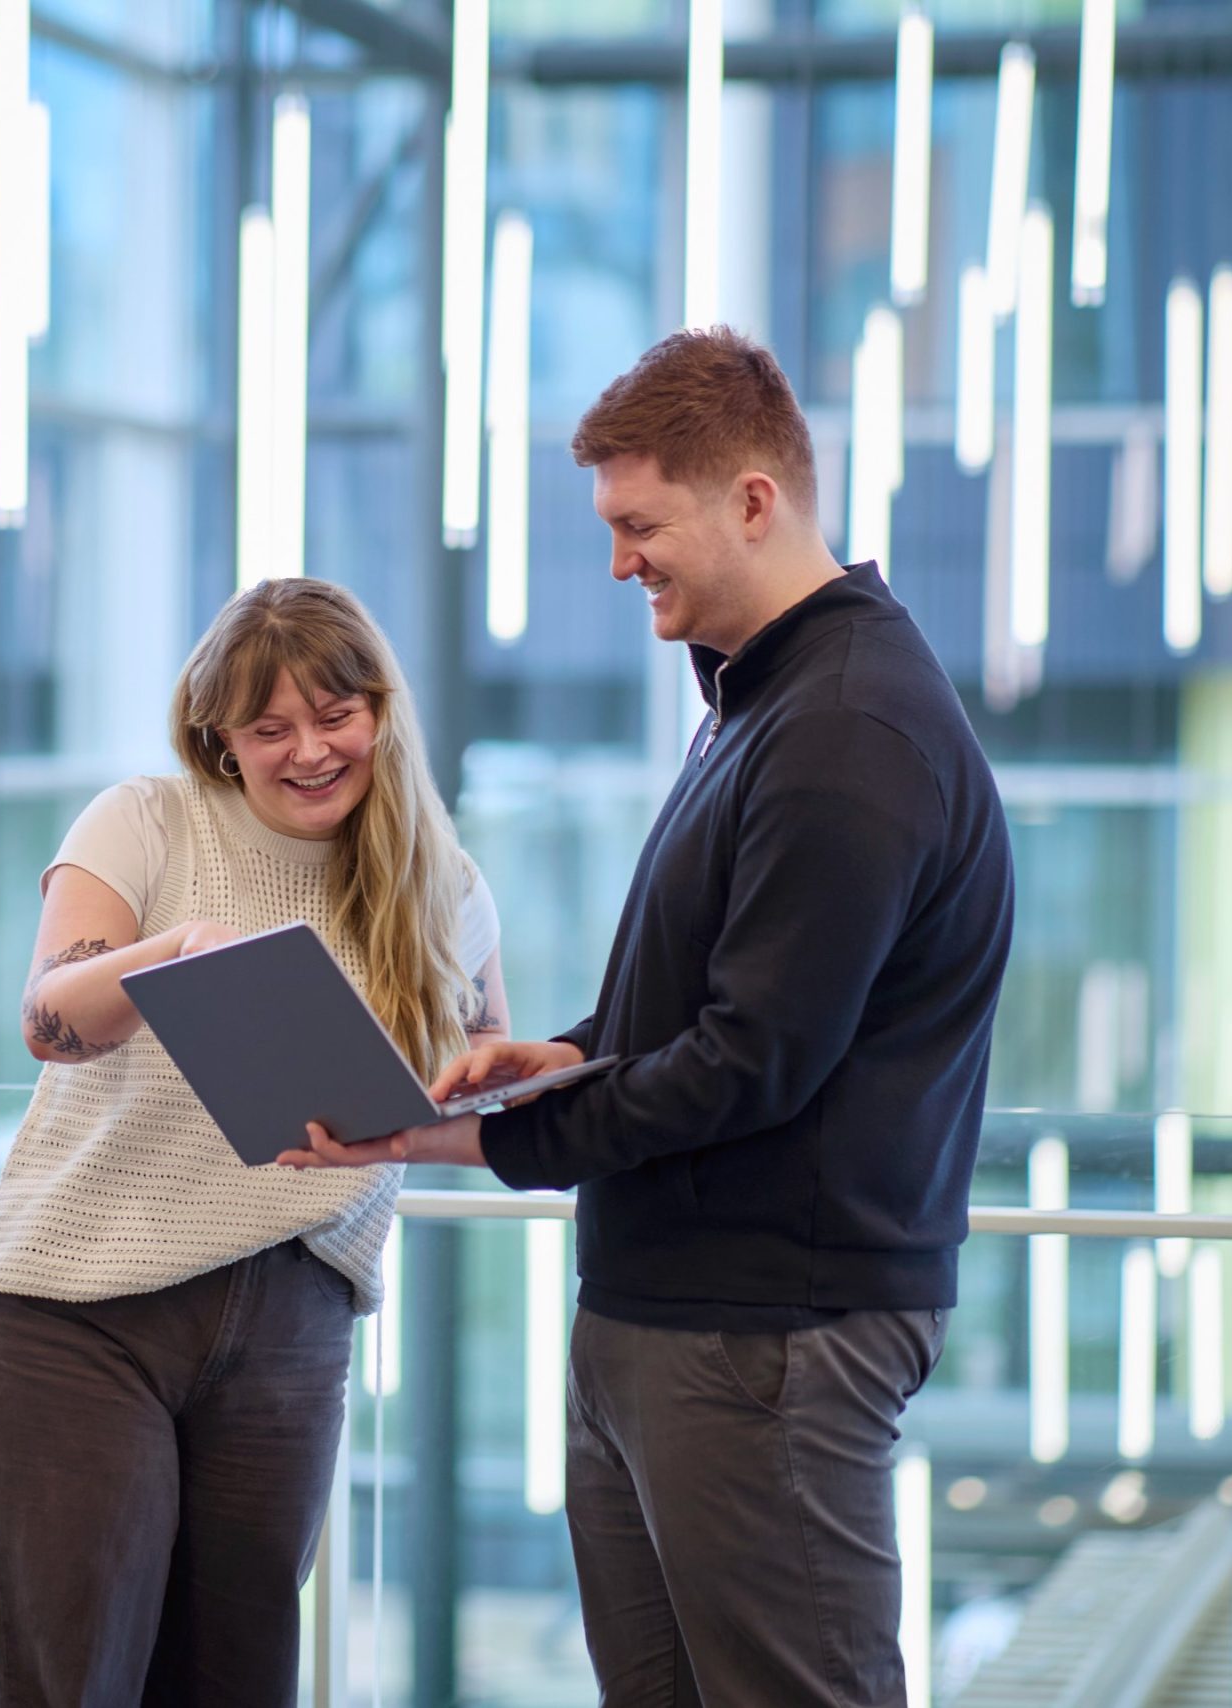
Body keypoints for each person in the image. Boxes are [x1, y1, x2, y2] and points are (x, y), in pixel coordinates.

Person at [284, 326, 1015, 1707]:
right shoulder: (767, 700)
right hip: (685, 1319)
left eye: (640, 525)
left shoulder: (847, 726)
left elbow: (754, 1066)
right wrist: (570, 1056)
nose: (620, 563)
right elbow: (745, 1003)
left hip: (762, 1335)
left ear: (754, 499)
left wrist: (450, 1142)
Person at [0, 577, 509, 1707]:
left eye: (334, 715)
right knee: (75, 1678)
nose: (308, 750)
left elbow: (483, 1108)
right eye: (268, 729)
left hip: (292, 1320)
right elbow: (48, 1018)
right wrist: (168, 961)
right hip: (79, 1311)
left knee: (237, 1678)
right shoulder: (144, 820)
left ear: (381, 710)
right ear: (221, 738)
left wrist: (471, 1102)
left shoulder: (443, 885)